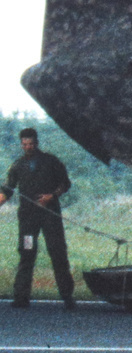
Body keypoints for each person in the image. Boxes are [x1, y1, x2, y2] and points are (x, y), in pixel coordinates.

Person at [0, 128, 75, 310]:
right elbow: (8, 190)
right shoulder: (17, 166)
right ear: (21, 144)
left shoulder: (51, 161)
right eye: (25, 144)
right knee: (26, 254)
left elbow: (65, 183)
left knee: (58, 253)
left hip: (50, 215)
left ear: (37, 143)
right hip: (28, 218)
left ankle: (67, 297)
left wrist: (52, 196)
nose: (28, 147)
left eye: (31, 144)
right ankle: (21, 298)